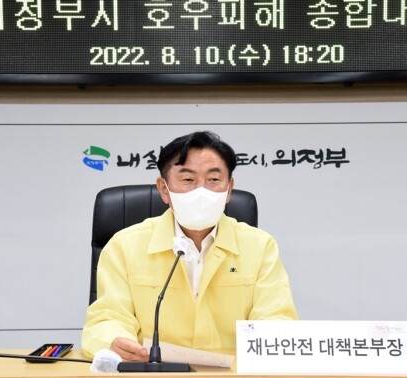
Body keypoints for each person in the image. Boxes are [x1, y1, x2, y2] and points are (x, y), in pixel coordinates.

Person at [81, 131, 298, 361]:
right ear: (164, 189)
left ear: (229, 189)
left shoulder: (260, 246)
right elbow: (109, 317)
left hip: (233, 376)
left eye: (213, 180)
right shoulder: (124, 246)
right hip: (153, 374)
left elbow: (276, 318)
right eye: (187, 180)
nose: (201, 191)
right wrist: (116, 342)